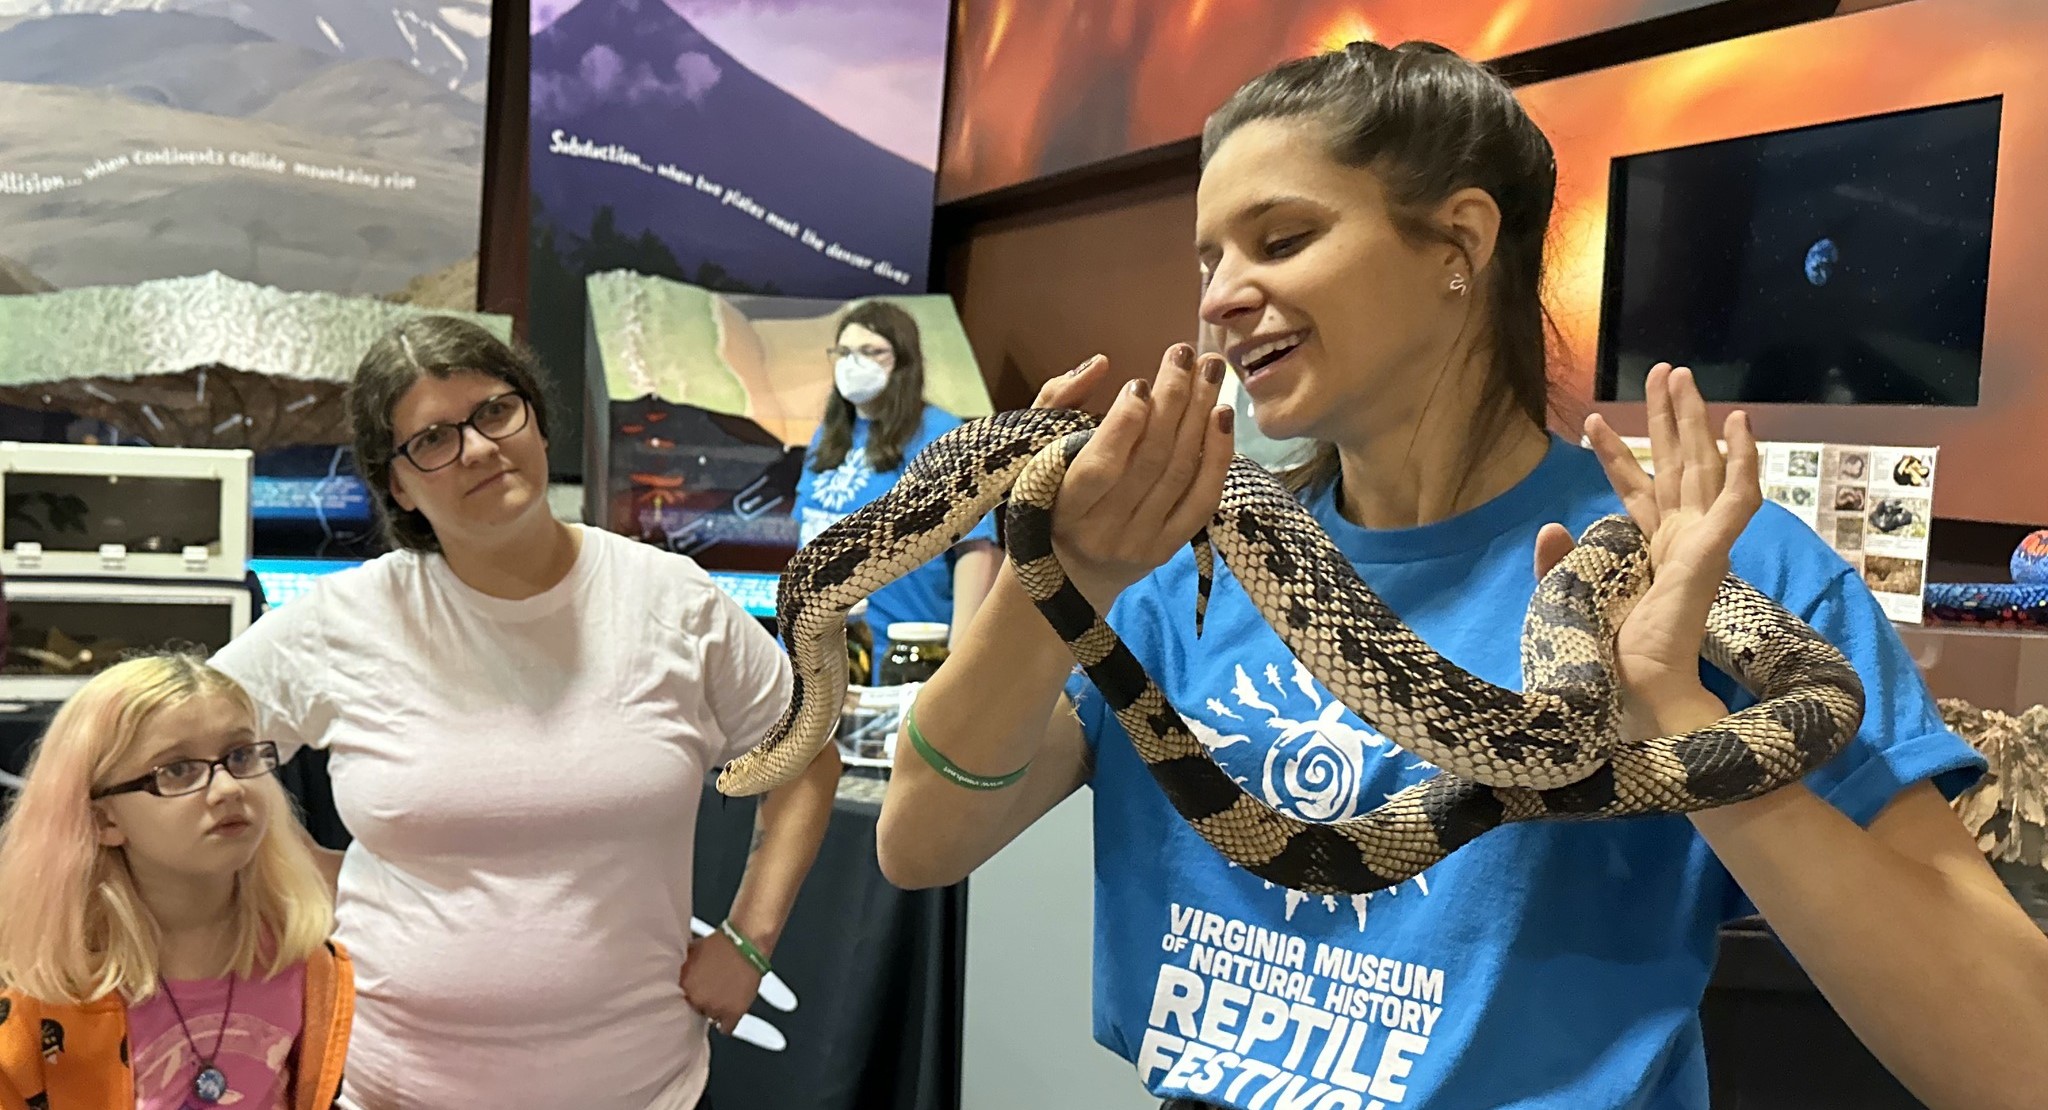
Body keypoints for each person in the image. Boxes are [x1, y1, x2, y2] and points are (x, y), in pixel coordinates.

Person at [876, 40, 2048, 1110]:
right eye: (1207, 258)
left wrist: (1673, 705)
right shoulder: (1177, 544)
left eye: (1280, 240)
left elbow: (2011, 1059)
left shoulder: (1697, 562)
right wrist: (1058, 570)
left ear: (1460, 244)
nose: (1218, 296)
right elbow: (919, 847)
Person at [207, 316, 841, 1110]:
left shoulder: (670, 601)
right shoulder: (345, 620)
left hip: (641, 1088)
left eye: (495, 411)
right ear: (396, 483)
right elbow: (177, 745)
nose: (476, 448)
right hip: (392, 1087)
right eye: (431, 439)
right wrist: (304, 873)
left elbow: (809, 757)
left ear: (537, 421)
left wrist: (750, 939)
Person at [0, 653, 351, 1108]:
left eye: (241, 756)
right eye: (177, 770)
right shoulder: (50, 995)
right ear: (104, 819)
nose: (228, 789)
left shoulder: (307, 964)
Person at [794, 300, 1000, 677]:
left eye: (871, 352)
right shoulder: (827, 436)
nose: (854, 363)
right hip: (815, 660)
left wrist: (957, 666)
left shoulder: (941, 434)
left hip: (900, 662)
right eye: (844, 352)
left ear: (904, 360)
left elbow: (976, 550)